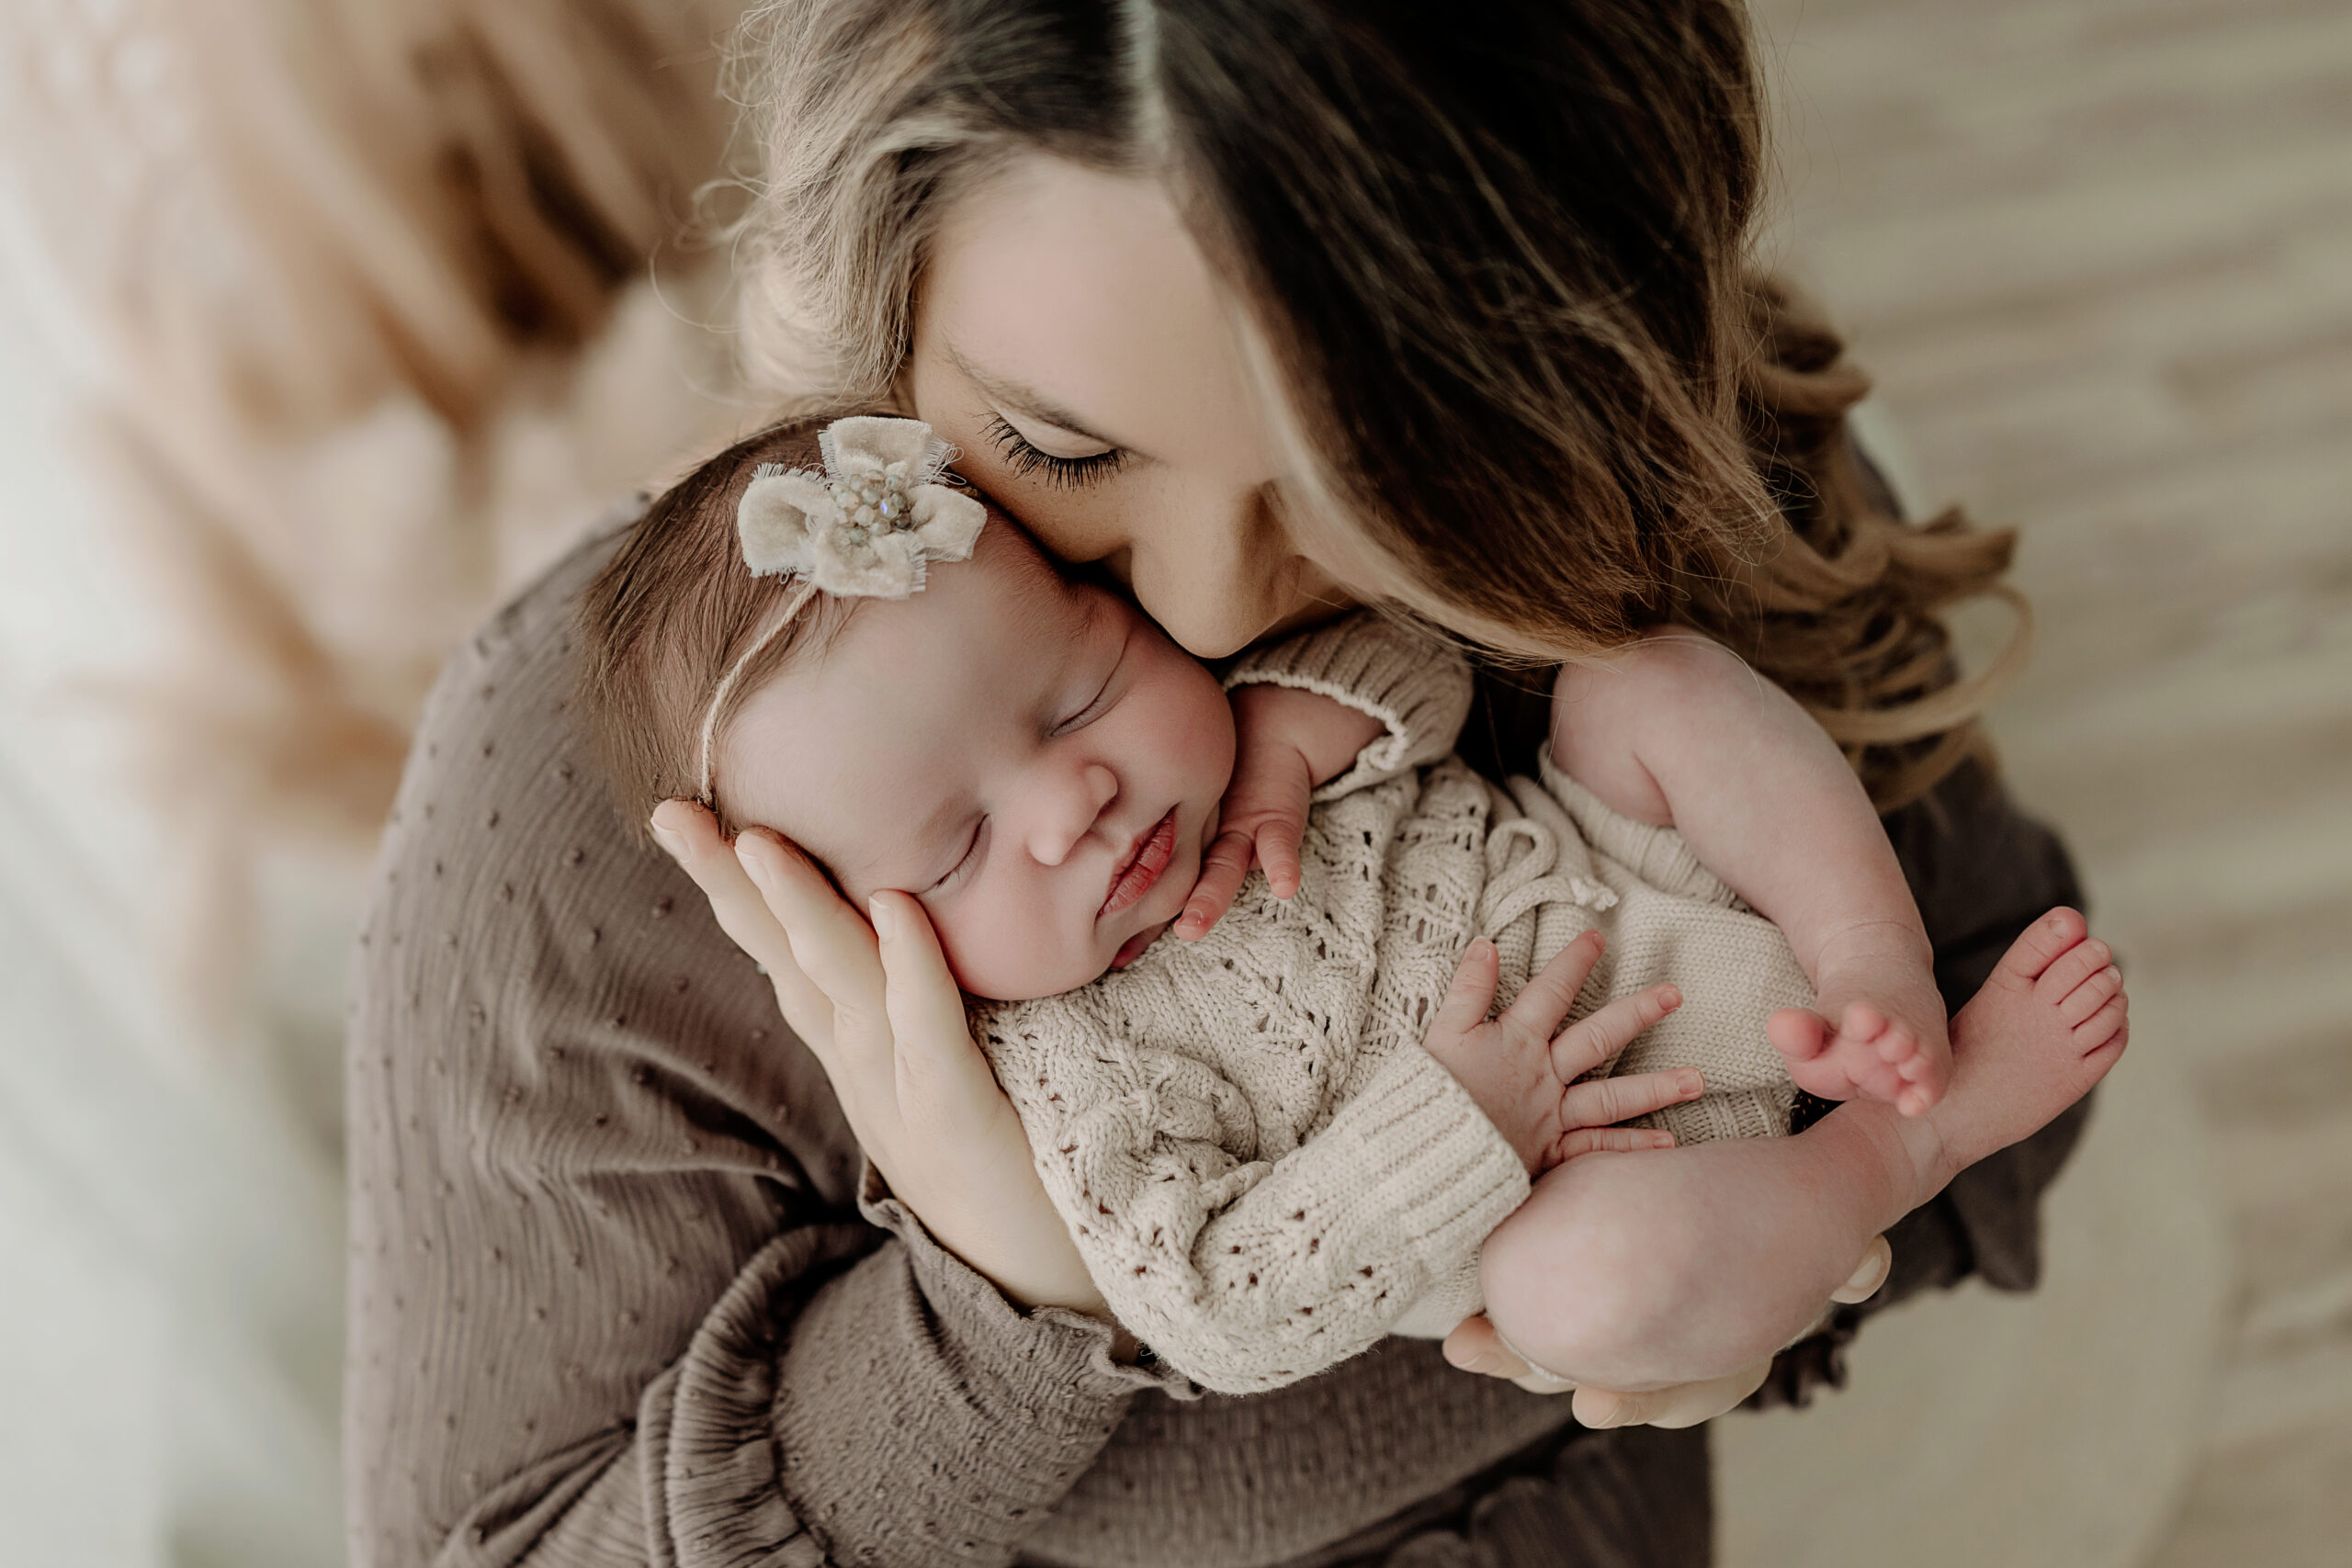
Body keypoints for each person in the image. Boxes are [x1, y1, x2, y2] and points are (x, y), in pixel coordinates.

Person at [345, 3, 2098, 1563]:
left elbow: (2014, 1022)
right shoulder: (594, 801)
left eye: (1361, 475)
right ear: (868, 283)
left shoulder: (1648, 468)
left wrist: (1784, 1247)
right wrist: (1007, 1301)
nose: (1203, 612)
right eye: (1061, 447)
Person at [573, 413, 2125, 1399]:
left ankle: (1874, 971)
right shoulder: (1066, 1071)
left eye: (1078, 694)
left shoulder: (1230, 744)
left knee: (1640, 683)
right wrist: (1464, 1126)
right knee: (1585, 1289)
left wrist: (1298, 736)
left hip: (1622, 875)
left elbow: (1427, 676)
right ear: (845, 928)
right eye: (958, 849)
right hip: (1607, 1177)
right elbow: (1216, 1308)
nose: (1075, 806)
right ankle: (1906, 1135)